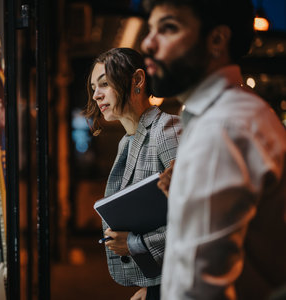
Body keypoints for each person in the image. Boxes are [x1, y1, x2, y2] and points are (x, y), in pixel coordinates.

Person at [140, 0, 286, 299]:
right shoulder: (244, 111)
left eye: (168, 28)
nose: (147, 43)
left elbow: (198, 289)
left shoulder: (220, 129)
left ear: (217, 39)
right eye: (151, 28)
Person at [84, 47, 181, 300]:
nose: (96, 94)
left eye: (104, 83)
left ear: (137, 80)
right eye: (94, 86)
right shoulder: (127, 141)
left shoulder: (165, 129)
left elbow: (199, 219)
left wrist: (134, 244)